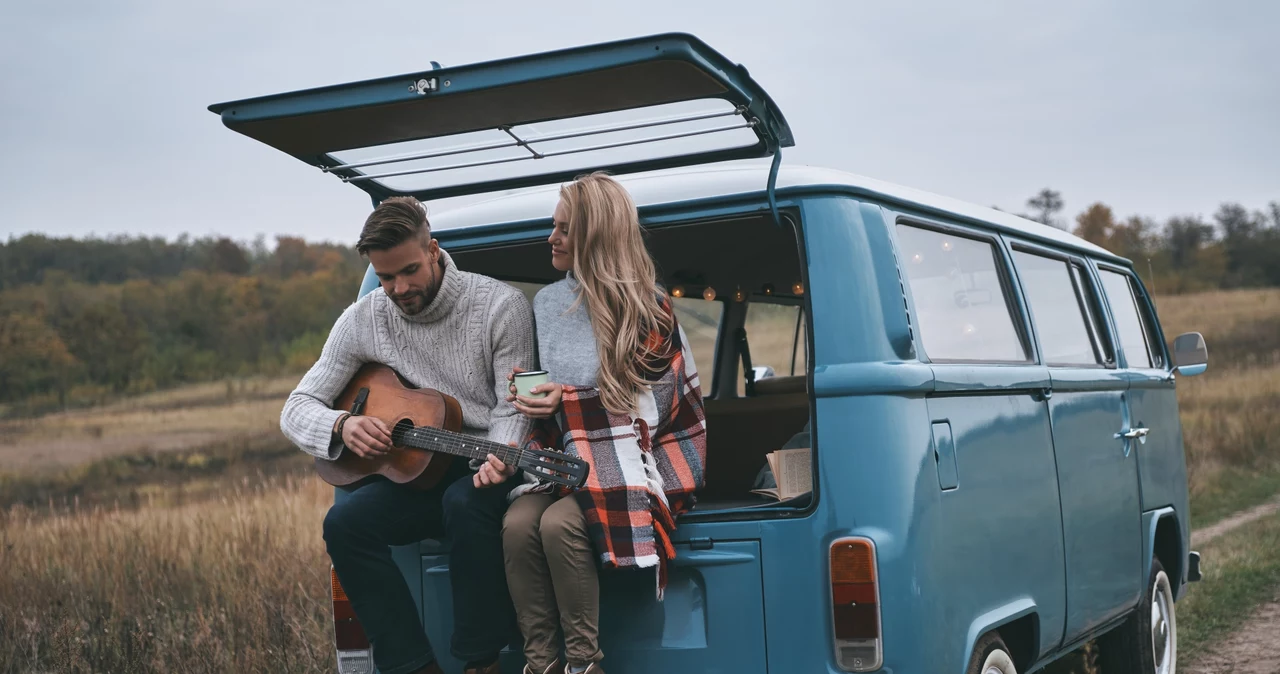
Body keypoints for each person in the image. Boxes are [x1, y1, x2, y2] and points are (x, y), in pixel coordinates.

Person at [279, 197, 535, 674]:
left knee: (464, 503)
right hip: (413, 472)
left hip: (482, 461)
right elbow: (295, 408)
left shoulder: (501, 306)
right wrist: (342, 424)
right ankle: (412, 665)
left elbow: (512, 403)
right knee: (343, 526)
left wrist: (502, 455)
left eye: (409, 271)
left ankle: (482, 662)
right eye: (385, 276)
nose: (398, 287)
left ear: (434, 250)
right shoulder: (363, 317)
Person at [473, 173, 707, 674]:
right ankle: (541, 665)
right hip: (564, 457)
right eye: (552, 227)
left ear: (596, 236)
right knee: (515, 526)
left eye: (564, 229)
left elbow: (656, 408)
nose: (551, 238)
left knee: (558, 526)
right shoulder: (547, 303)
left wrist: (571, 399)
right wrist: (533, 399)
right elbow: (547, 391)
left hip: (638, 458)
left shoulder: (650, 306)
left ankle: (584, 664)